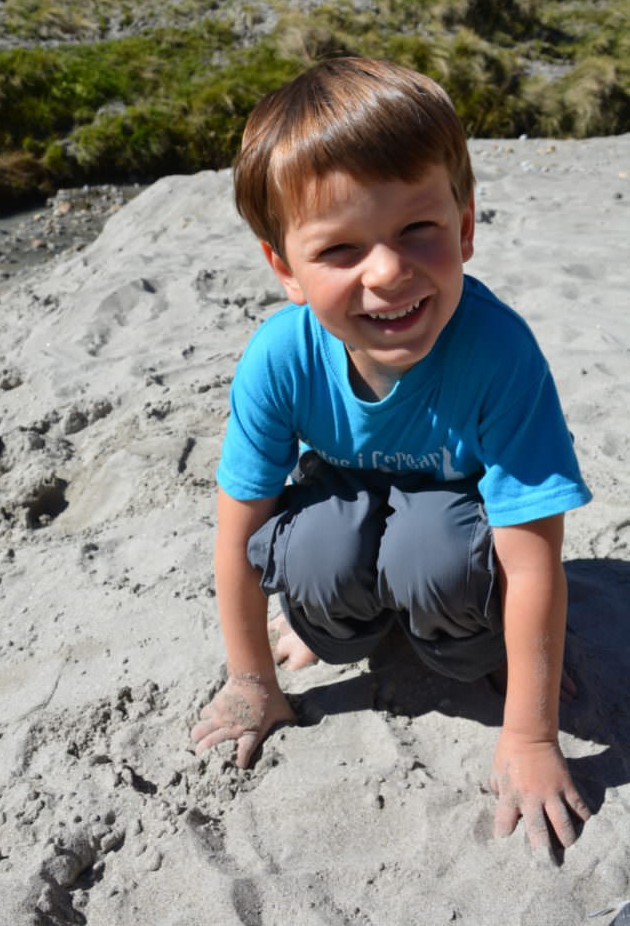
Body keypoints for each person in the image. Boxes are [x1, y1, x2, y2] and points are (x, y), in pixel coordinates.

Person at [191, 57, 592, 853]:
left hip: (451, 535)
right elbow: (239, 528)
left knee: (431, 553)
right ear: (286, 269)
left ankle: (465, 647)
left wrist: (531, 733)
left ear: (465, 225)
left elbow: (533, 550)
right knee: (314, 550)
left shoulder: (500, 353)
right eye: (339, 250)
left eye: (417, 230)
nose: (387, 271)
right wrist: (251, 683)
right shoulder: (279, 356)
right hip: (343, 503)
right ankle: (342, 627)